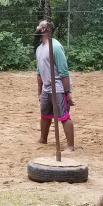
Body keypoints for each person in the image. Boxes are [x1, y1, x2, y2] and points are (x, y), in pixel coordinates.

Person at [35, 20, 75, 153]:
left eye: (39, 25)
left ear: (44, 29)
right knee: (44, 114)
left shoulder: (55, 47)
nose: (37, 27)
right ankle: (43, 138)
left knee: (63, 116)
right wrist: (39, 91)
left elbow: (64, 71)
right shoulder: (40, 48)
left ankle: (70, 146)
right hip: (46, 88)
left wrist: (67, 92)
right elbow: (39, 72)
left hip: (58, 87)